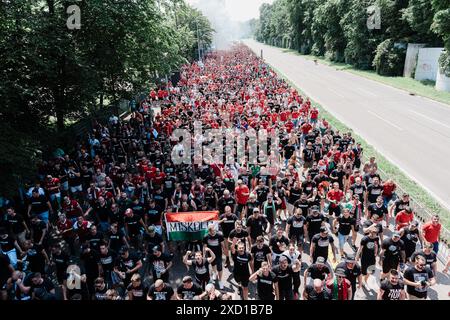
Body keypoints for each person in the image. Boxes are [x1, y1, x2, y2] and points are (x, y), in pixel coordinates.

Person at [203, 224, 225, 289]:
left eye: (212, 230)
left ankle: (220, 281)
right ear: (208, 231)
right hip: (211, 255)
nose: (212, 232)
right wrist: (204, 255)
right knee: (213, 265)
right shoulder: (206, 237)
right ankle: (214, 273)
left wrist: (224, 252)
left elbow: (222, 244)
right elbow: (204, 246)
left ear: (214, 229)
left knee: (220, 268)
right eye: (210, 231)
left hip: (218, 255)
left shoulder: (219, 235)